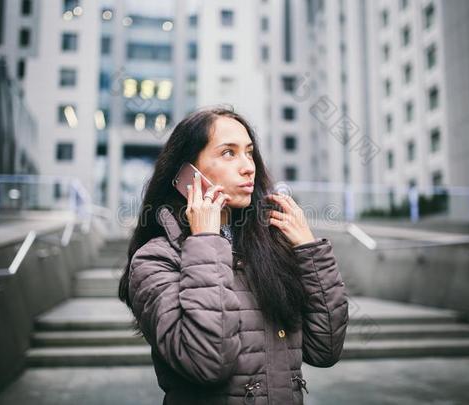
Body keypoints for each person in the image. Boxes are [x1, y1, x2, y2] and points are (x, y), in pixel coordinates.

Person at [118, 107, 349, 405]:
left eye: (249, 153)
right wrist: (205, 240)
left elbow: (326, 349)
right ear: (188, 173)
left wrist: (309, 252)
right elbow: (207, 363)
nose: (248, 167)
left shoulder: (269, 250)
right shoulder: (155, 259)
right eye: (228, 153)